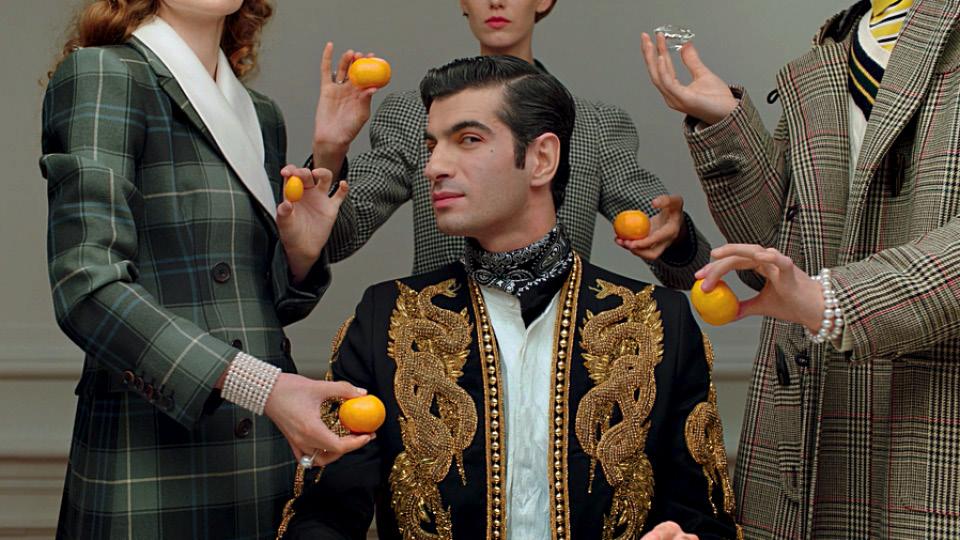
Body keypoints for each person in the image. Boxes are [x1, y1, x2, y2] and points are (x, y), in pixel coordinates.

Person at [278, 55, 741, 540]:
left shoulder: (656, 323)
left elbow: (705, 518)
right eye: (432, 146)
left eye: (468, 139)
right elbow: (322, 517)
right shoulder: (388, 319)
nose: (433, 167)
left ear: (541, 159)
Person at [40, 1, 372, 537]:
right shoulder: (103, 72)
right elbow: (86, 285)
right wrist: (264, 389)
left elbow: (256, 304)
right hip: (153, 453)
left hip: (263, 456)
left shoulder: (259, 113)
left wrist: (304, 238)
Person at [641, 0, 960, 537]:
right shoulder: (836, 47)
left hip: (932, 420)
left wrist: (832, 301)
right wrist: (726, 124)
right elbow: (779, 256)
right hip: (809, 425)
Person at [312, 0, 712, 287]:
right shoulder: (416, 115)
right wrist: (330, 150)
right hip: (438, 349)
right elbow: (332, 240)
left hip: (562, 352)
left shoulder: (593, 125)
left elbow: (688, 269)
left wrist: (674, 236)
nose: (496, 1)